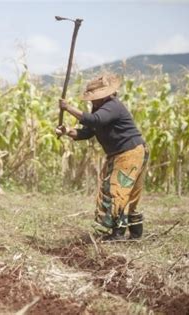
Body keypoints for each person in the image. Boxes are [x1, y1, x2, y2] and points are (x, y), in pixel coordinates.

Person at [55, 73, 149, 241]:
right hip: (125, 153)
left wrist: (68, 108)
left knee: (117, 192)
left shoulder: (112, 106)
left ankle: (118, 234)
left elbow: (94, 121)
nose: (92, 101)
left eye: (95, 98)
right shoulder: (100, 108)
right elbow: (87, 132)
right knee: (125, 193)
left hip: (129, 153)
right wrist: (67, 131)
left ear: (105, 95)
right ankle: (135, 235)